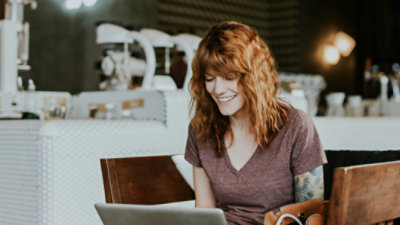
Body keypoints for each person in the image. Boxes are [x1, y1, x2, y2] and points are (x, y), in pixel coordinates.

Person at [184, 21, 327, 225]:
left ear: (254, 77)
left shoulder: (295, 126)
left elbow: (313, 216)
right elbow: (204, 214)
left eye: (229, 77)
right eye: (209, 78)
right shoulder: (200, 130)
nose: (217, 89)